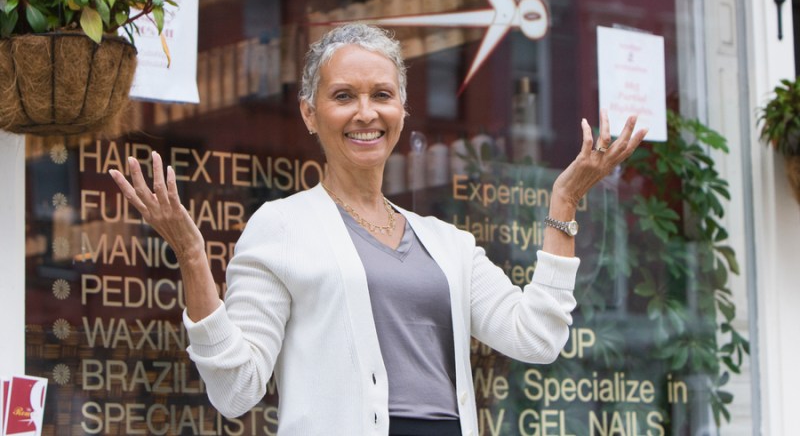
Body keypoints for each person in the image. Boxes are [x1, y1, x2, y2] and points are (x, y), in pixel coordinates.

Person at [109, 24, 647, 436]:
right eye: (343, 96)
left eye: (381, 95)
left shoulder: (447, 242)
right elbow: (235, 389)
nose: (366, 113)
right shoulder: (281, 227)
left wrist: (565, 201)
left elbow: (537, 337)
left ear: (403, 110)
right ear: (310, 113)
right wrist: (192, 257)